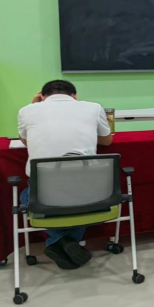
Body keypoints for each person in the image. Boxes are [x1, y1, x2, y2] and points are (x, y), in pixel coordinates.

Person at [17, 80, 113, 270]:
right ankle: (66, 241)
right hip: (90, 192)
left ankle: (60, 240)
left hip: (45, 191)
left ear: (43, 96)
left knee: (26, 198)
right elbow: (107, 141)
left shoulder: (26, 110)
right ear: (74, 96)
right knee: (79, 202)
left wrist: (34, 105)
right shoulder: (93, 107)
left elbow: (26, 142)